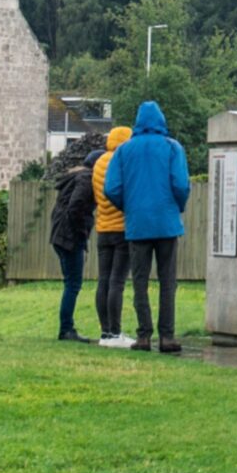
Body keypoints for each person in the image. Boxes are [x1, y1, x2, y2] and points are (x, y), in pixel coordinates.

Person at [101, 99, 190, 353]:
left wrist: (129, 206)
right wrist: (177, 206)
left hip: (137, 224)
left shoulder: (123, 151)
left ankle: (143, 336)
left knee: (140, 281)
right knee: (167, 281)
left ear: (138, 122)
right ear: (161, 120)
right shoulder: (173, 148)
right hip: (166, 223)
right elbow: (181, 185)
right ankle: (167, 336)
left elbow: (111, 188)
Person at [89, 122, 135, 344]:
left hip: (102, 227)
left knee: (103, 280)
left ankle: (105, 332)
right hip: (121, 228)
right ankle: (116, 333)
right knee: (117, 282)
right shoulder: (123, 161)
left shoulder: (98, 162)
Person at [47, 143, 97, 343]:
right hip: (69, 237)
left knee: (70, 282)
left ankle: (66, 328)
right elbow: (75, 207)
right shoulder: (86, 180)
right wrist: (82, 232)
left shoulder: (74, 178)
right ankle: (66, 329)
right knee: (73, 284)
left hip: (59, 235)